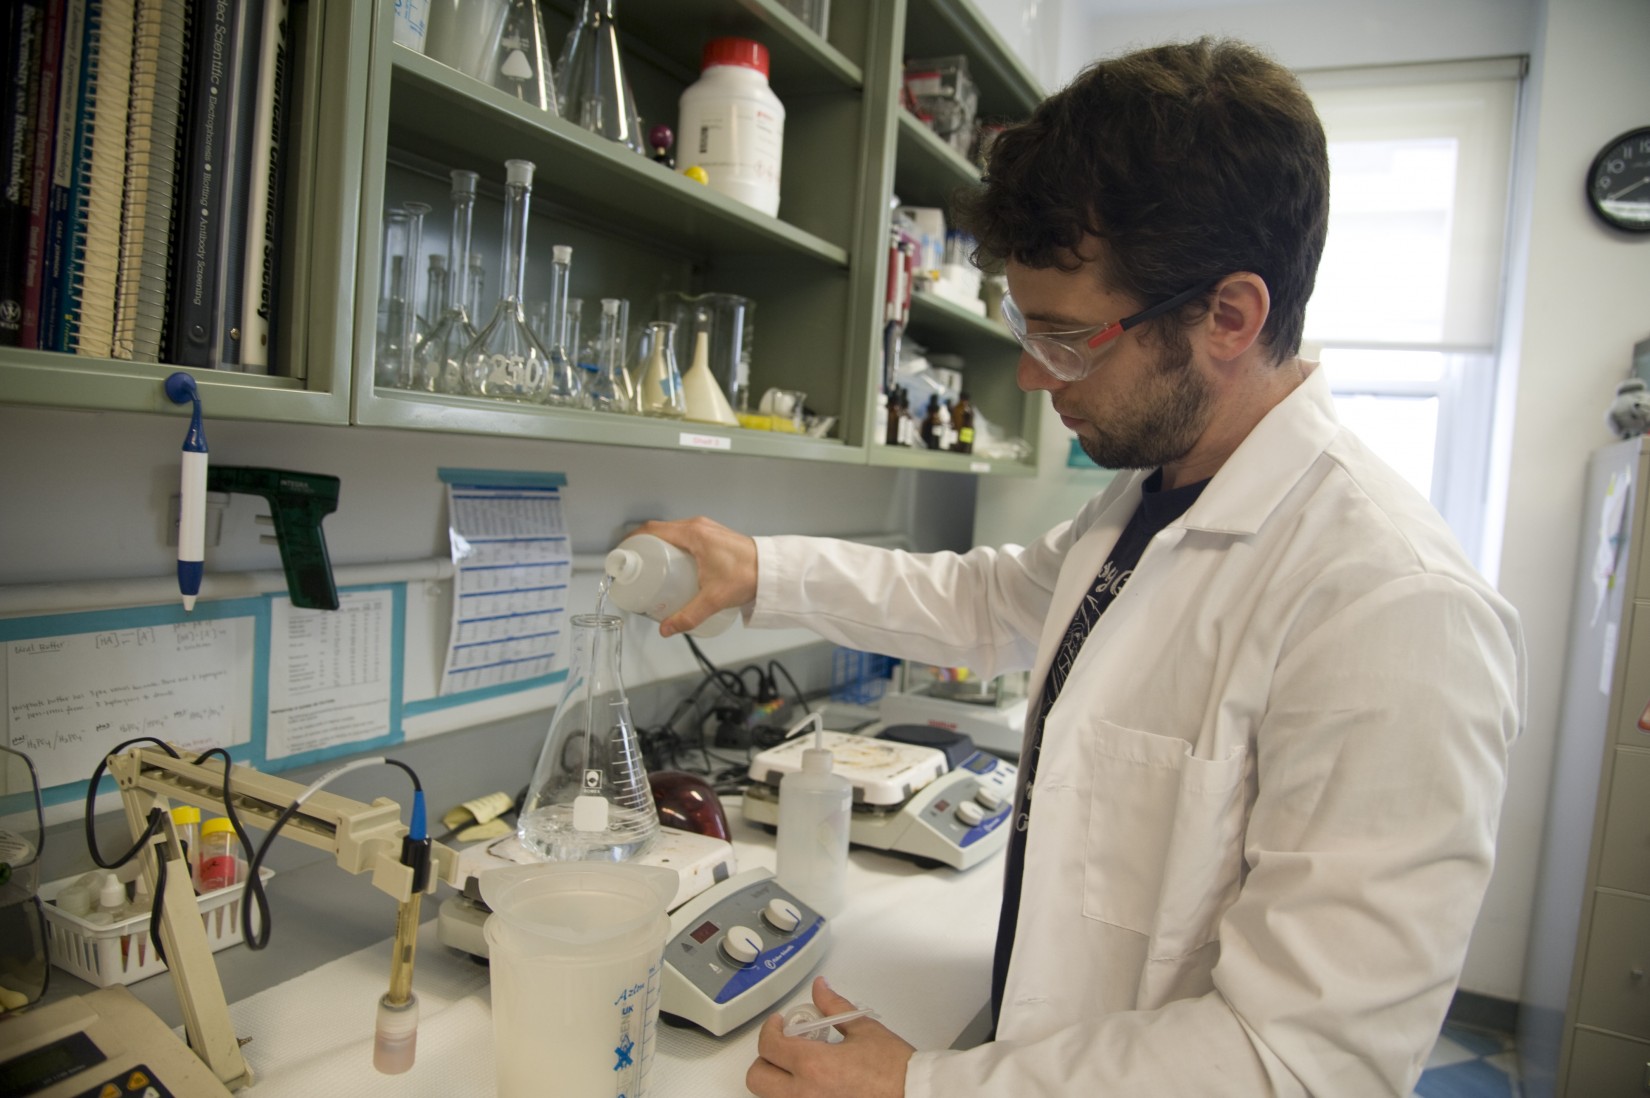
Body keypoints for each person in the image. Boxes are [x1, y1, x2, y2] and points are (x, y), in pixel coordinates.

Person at [634, 36, 1525, 1098]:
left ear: (1229, 316)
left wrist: (923, 1089)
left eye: (1068, 336)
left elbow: (1302, 1062)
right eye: (1026, 326)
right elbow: (985, 600)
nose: (1030, 370)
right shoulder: (1149, 498)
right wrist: (761, 572)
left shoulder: (1393, 607)